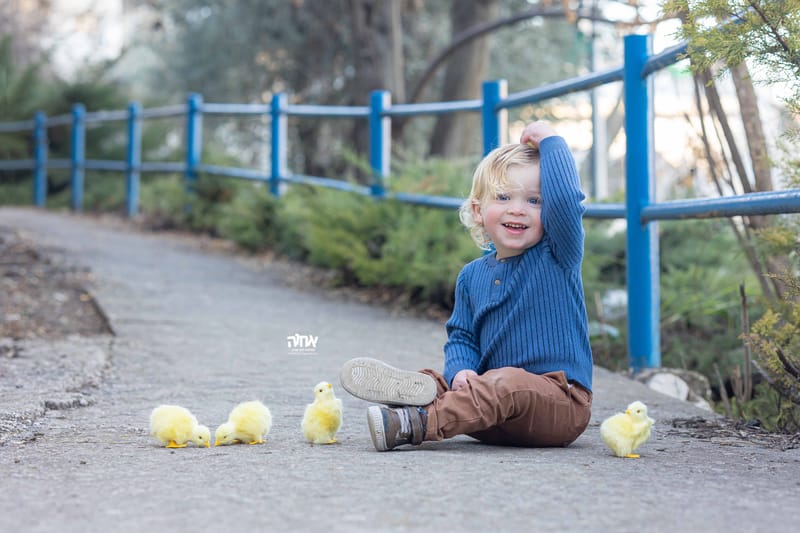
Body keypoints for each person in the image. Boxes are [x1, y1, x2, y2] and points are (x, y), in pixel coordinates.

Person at [339, 121, 593, 451]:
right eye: (503, 197)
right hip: (492, 415)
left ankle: (416, 421)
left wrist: (551, 142)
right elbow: (462, 337)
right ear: (478, 210)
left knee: (507, 382)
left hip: (559, 406)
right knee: (442, 380)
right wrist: (462, 371)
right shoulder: (471, 277)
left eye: (534, 201)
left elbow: (566, 205)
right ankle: (427, 395)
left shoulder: (558, 254)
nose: (518, 208)